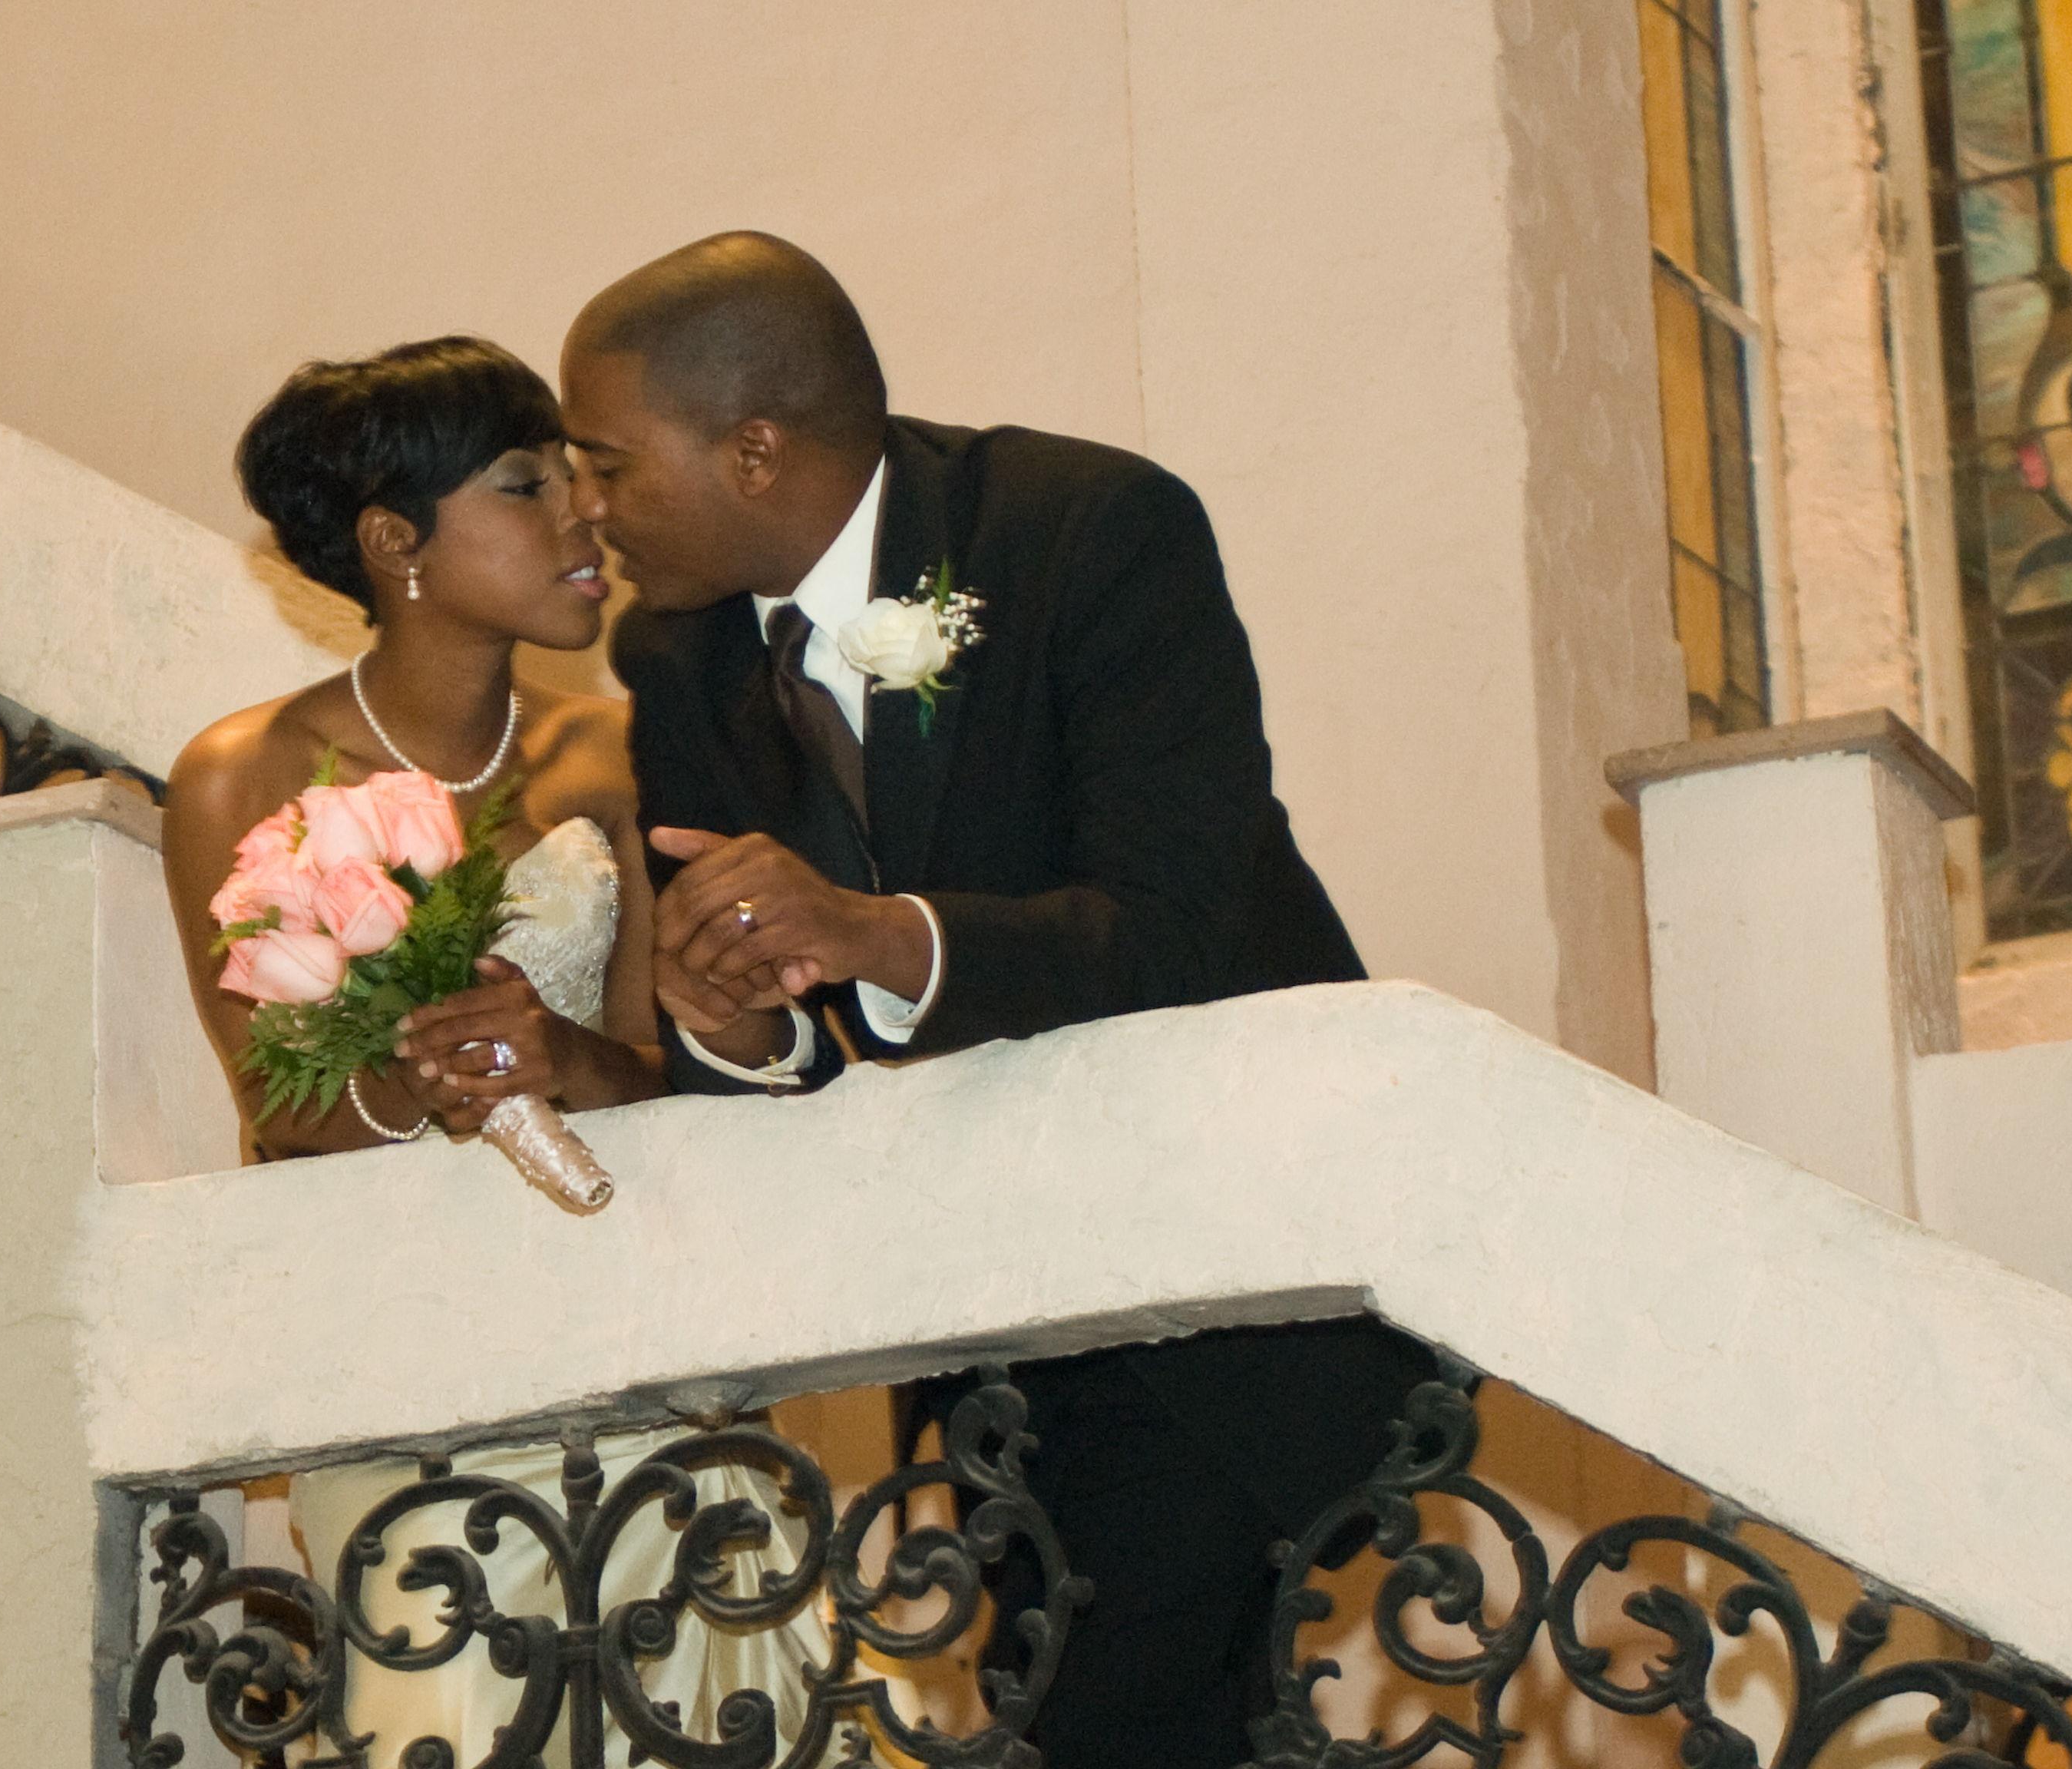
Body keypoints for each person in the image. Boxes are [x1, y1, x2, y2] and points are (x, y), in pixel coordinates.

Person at [563, 232, 1431, 1764]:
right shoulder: (681, 653)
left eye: (609, 464)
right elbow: (787, 1053)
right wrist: (733, 1020)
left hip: (1219, 1277)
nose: (588, 508)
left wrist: (875, 937)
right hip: (989, 1341)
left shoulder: (1083, 532)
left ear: (753, 449)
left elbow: (1176, 930)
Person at [160, 336, 808, 1757]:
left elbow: (662, 1077)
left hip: (632, 1338)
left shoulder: (618, 756)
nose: (587, 517)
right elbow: (276, 1100)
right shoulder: (240, 773)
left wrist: (559, 1059)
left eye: (580, 478)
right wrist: (418, 1077)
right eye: (528, 486)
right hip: (403, 1358)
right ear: (396, 542)